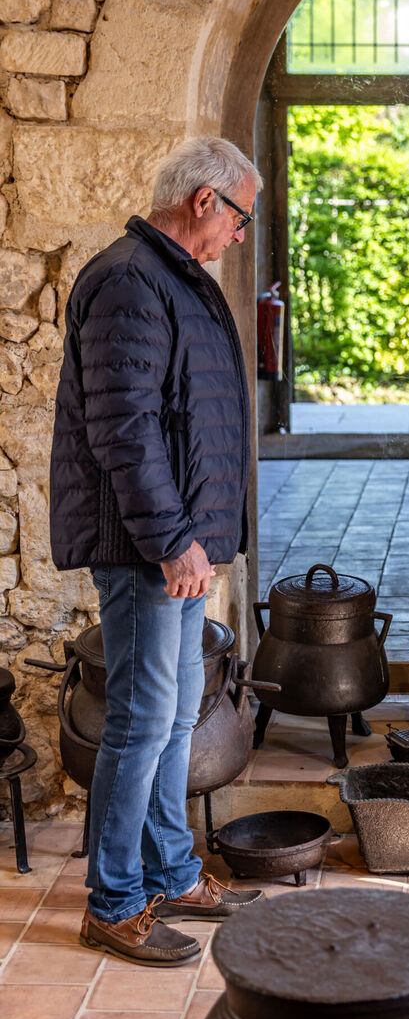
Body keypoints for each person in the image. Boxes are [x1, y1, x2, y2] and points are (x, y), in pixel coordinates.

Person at [50, 137, 266, 966]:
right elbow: (124, 428)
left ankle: (171, 871)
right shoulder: (129, 282)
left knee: (175, 715)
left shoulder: (173, 278)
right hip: (148, 545)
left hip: (178, 540)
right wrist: (173, 540)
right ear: (205, 201)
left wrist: (196, 538)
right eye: (239, 217)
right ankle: (113, 902)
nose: (240, 235)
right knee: (141, 722)